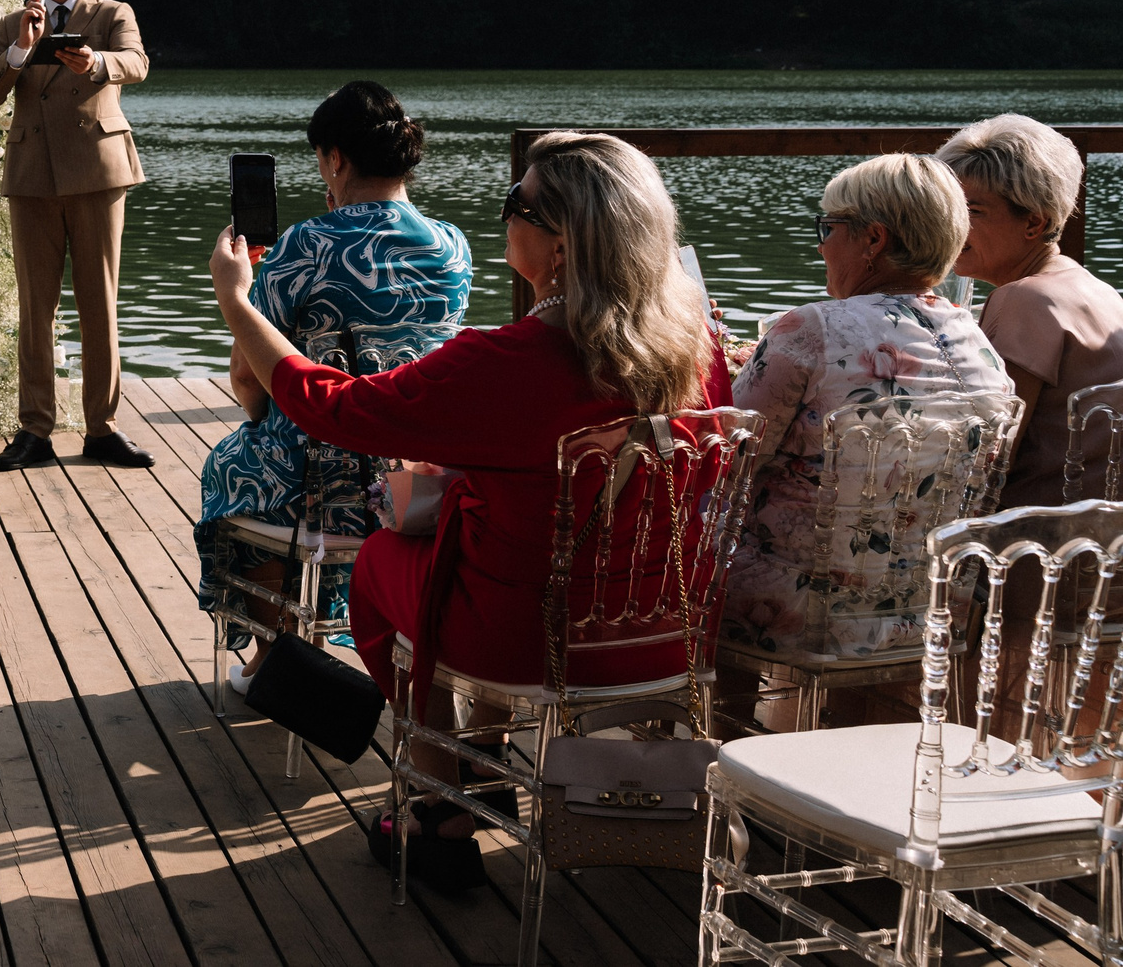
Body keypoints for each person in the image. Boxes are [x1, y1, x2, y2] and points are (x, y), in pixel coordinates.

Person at [209, 130, 727, 889]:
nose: (503, 210)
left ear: (561, 247)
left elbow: (336, 407)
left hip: (525, 641)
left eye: (517, 200)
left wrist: (237, 300)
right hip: (669, 631)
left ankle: (440, 803)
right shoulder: (699, 345)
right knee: (493, 541)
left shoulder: (507, 363)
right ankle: (479, 774)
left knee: (387, 562)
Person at [199, 82, 472, 659]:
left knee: (231, 464)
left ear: (335, 158)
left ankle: (279, 655)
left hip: (323, 487)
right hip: (415, 480)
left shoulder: (302, 246)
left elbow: (250, 379)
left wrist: (242, 294)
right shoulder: (452, 246)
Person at [719, 155, 1014, 663]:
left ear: (873, 240)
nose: (820, 244)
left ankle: (718, 733)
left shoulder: (812, 326)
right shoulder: (976, 340)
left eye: (828, 227)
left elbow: (729, 456)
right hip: (935, 607)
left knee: (693, 538)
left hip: (805, 606)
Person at [0, 0, 153, 470]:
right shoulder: (12, 23)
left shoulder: (112, 12)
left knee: (99, 305)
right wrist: (21, 50)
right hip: (31, 177)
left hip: (96, 173)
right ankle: (35, 432)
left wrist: (96, 61)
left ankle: (101, 429)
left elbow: (137, 63)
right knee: (35, 309)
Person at [938, 114, 1123, 508]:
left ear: (1034, 223)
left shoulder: (1022, 301)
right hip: (1099, 541)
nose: (950, 224)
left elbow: (986, 458)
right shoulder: (1098, 289)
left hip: (1025, 546)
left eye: (973, 211)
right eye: (947, 207)